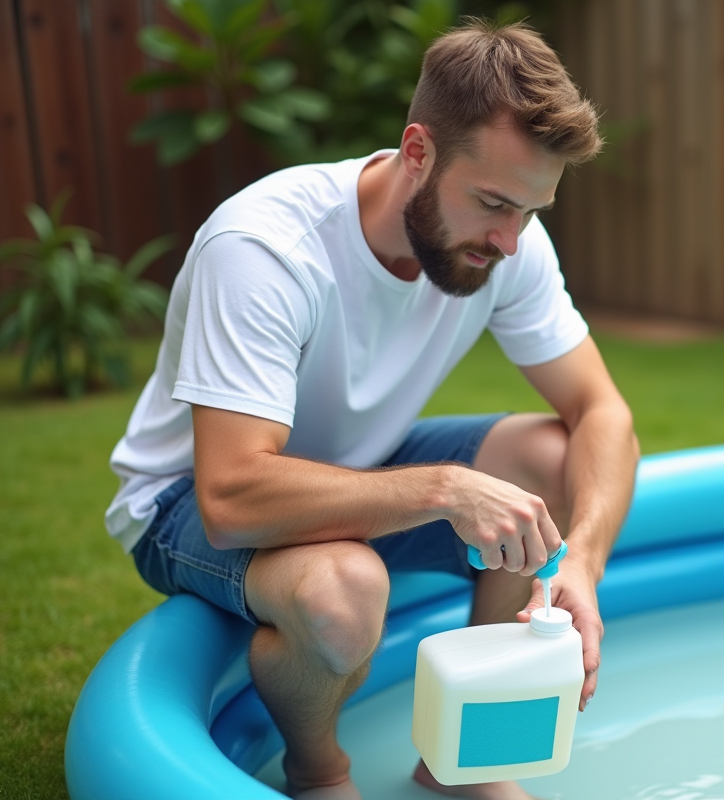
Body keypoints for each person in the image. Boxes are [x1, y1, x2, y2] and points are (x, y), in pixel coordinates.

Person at [105, 19, 639, 800]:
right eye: (493, 202)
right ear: (417, 151)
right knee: (344, 590)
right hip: (183, 500)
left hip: (357, 464)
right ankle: (319, 770)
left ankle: (465, 762)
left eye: (532, 210)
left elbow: (603, 414)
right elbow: (230, 498)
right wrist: (446, 489)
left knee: (552, 462)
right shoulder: (266, 249)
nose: (510, 240)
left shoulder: (506, 243)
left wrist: (581, 564)